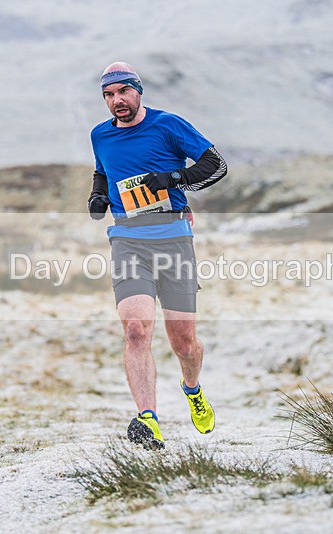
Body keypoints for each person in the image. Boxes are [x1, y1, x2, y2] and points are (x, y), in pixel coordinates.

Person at [88, 61, 228, 449]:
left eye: (123, 92)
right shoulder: (100, 135)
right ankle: (148, 420)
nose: (117, 101)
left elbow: (215, 166)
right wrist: (98, 195)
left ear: (138, 91)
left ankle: (193, 389)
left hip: (173, 240)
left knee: (184, 342)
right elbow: (103, 171)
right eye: (109, 95)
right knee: (136, 330)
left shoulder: (168, 125)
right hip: (128, 241)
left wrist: (173, 179)